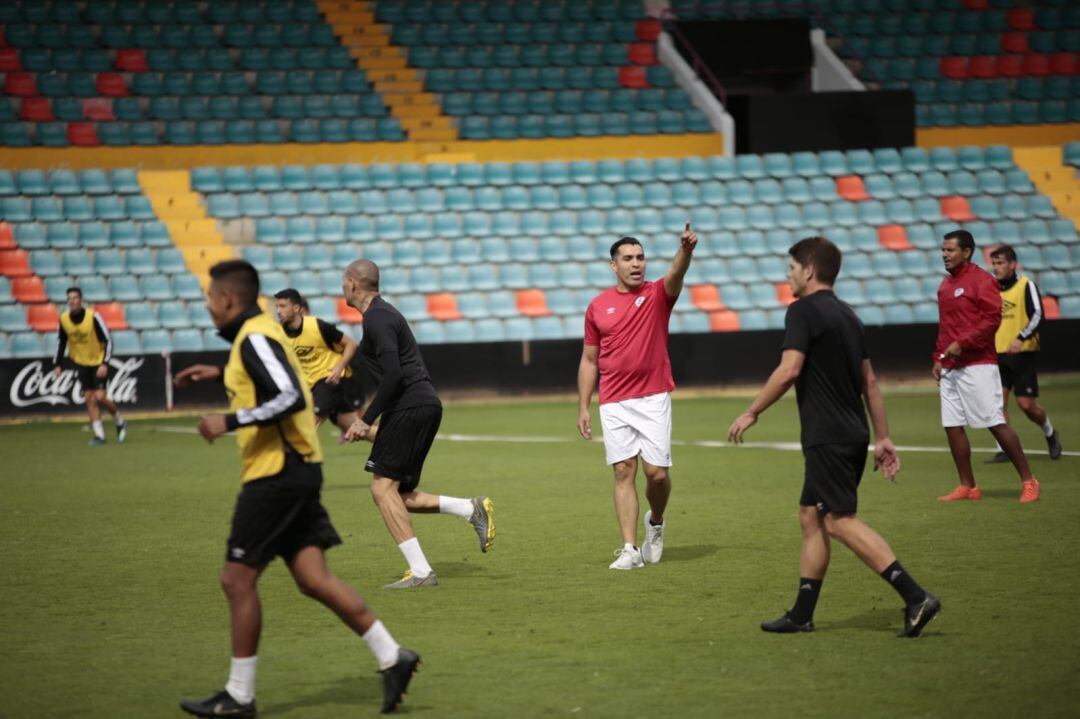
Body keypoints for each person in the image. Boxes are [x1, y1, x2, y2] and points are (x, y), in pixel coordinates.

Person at [173, 260, 419, 716]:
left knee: (236, 579)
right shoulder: (258, 336)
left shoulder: (256, 336)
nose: (208, 308)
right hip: (296, 469)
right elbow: (266, 375)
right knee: (313, 579)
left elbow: (289, 397)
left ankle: (239, 696)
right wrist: (221, 372)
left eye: (210, 299)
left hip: (277, 474)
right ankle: (393, 656)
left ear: (228, 299)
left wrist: (225, 421)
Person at [727, 236, 940, 638]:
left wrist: (752, 410)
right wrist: (885, 437)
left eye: (791, 267)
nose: (787, 275)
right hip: (853, 432)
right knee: (811, 515)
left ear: (808, 270)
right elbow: (870, 383)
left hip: (827, 436)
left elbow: (790, 370)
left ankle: (915, 597)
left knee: (839, 521)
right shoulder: (848, 315)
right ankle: (802, 614)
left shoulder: (802, 311)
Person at [340, 259, 495, 589]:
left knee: (382, 488)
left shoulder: (378, 319)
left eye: (343, 282)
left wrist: (365, 420)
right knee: (399, 493)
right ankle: (470, 509)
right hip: (420, 404)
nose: (342, 288)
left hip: (410, 405)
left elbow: (394, 375)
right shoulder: (383, 314)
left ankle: (421, 572)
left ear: (353, 283)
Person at [577, 224, 696, 571]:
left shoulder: (659, 293)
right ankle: (629, 549)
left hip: (653, 397)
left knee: (656, 474)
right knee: (623, 471)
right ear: (614, 265)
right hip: (613, 401)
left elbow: (676, 272)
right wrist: (584, 405)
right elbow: (589, 359)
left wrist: (686, 251)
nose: (636, 264)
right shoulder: (597, 306)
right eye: (628, 258)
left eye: (641, 257)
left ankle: (655, 521)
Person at [933, 230, 1040, 503]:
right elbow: (945, 327)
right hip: (951, 367)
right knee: (952, 425)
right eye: (943, 250)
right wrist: (938, 357)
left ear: (967, 252)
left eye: (950, 250)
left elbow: (992, 320)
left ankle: (1029, 481)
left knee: (995, 422)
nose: (945, 254)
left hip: (978, 364)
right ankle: (968, 486)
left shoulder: (982, 280)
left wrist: (963, 343)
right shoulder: (945, 285)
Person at [986, 244, 1063, 463]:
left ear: (1012, 264)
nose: (997, 268)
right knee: (998, 404)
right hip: (997, 355)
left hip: (1022, 354)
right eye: (994, 264)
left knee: (1027, 406)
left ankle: (1050, 433)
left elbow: (1038, 314)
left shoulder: (1025, 285)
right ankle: (1004, 448)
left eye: (1000, 263)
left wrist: (1021, 338)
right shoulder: (991, 288)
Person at [273, 288, 377, 442]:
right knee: (355, 428)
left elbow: (350, 344)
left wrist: (339, 368)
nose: (278, 311)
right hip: (312, 386)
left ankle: (292, 457)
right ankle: (393, 439)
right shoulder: (278, 334)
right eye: (277, 307)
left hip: (330, 380)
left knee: (308, 422)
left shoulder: (318, 326)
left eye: (283, 306)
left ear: (296, 308)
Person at [52, 286, 127, 445]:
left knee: (100, 397)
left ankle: (119, 420)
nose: (72, 301)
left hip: (98, 362)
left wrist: (105, 363)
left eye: (75, 298)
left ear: (81, 300)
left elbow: (108, 340)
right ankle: (100, 436)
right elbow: (61, 342)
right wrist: (57, 363)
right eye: (69, 298)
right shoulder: (64, 319)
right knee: (89, 398)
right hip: (81, 362)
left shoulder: (93, 317)